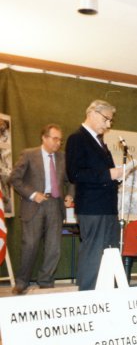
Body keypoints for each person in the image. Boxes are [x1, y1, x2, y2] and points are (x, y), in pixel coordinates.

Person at [9, 124, 74, 294]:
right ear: (44, 138)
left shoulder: (63, 157)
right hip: (33, 205)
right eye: (54, 139)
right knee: (29, 245)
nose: (58, 143)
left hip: (55, 205)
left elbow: (72, 180)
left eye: (60, 139)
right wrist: (32, 194)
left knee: (54, 248)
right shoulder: (29, 154)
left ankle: (46, 281)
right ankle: (22, 282)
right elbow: (14, 179)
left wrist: (70, 195)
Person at [65, 99, 123, 290]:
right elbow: (74, 173)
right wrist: (108, 174)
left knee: (110, 251)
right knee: (93, 252)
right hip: (92, 207)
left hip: (107, 207)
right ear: (93, 113)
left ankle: (108, 294)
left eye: (110, 121)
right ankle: (88, 297)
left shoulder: (100, 142)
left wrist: (117, 176)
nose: (108, 125)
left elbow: (101, 173)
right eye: (106, 119)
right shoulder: (77, 138)